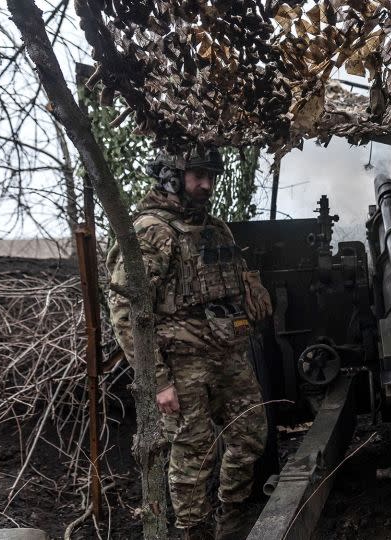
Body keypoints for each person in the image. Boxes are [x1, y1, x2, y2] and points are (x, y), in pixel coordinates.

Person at [106, 148, 272, 540]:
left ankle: (230, 522)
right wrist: (158, 381)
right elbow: (126, 314)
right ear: (171, 177)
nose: (207, 185)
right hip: (181, 366)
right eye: (198, 175)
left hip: (228, 353)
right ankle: (193, 532)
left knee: (250, 437)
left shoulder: (216, 229)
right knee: (193, 456)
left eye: (211, 175)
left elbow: (235, 287)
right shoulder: (151, 231)